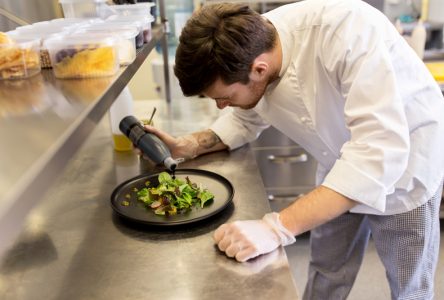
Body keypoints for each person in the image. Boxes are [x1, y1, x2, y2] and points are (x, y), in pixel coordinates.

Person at [143, 1, 444, 298]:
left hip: (406, 168)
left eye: (224, 97)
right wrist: (188, 145)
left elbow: (377, 153)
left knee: (409, 287)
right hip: (338, 162)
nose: (221, 106)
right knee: (327, 269)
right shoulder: (253, 48)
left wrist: (276, 228)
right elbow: (244, 116)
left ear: (259, 69)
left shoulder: (347, 32)